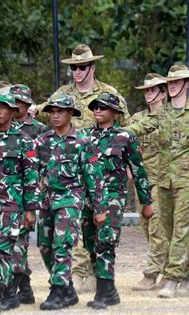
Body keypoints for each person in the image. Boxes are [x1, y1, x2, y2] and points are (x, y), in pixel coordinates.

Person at [30, 44, 132, 292]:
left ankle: (97, 275)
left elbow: (126, 129)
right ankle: (73, 274)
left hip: (102, 172)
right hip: (69, 175)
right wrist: (33, 109)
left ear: (92, 67)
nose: (77, 71)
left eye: (82, 67)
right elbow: (45, 114)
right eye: (73, 67)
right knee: (70, 226)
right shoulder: (63, 93)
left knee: (96, 230)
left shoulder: (108, 93)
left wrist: (127, 163)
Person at [36, 93, 108, 310]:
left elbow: (94, 177)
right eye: (52, 112)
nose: (55, 116)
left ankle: (57, 291)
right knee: (44, 246)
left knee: (62, 244)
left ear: (70, 114)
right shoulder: (42, 141)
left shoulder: (83, 142)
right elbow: (32, 171)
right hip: (47, 201)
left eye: (60, 112)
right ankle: (67, 288)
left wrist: (99, 208)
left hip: (70, 200)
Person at [83, 92, 154, 309]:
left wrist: (146, 202)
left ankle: (103, 292)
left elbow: (138, 170)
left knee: (106, 241)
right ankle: (109, 291)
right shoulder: (84, 136)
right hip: (89, 197)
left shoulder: (125, 137)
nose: (97, 111)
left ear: (114, 112)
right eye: (95, 107)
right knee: (90, 242)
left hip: (113, 196)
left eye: (103, 108)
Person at [0, 93, 40, 312]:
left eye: (2, 108)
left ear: (13, 111)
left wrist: (31, 209)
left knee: (4, 249)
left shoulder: (24, 140)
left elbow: (31, 178)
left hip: (13, 206)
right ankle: (12, 293)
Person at [8, 84, 49, 305]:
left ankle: (16, 287)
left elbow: (46, 160)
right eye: (11, 102)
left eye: (18, 102)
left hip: (28, 194)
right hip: (7, 192)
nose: (14, 106)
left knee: (19, 241)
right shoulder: (4, 127)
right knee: (11, 240)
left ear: (26, 104)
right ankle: (24, 287)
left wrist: (39, 186)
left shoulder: (39, 130)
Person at [131, 73, 169, 291]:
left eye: (153, 90)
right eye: (146, 90)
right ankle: (166, 268)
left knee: (158, 228)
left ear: (163, 93)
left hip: (163, 180)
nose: (149, 94)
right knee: (147, 228)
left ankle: (153, 273)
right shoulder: (138, 118)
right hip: (142, 181)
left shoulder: (172, 117)